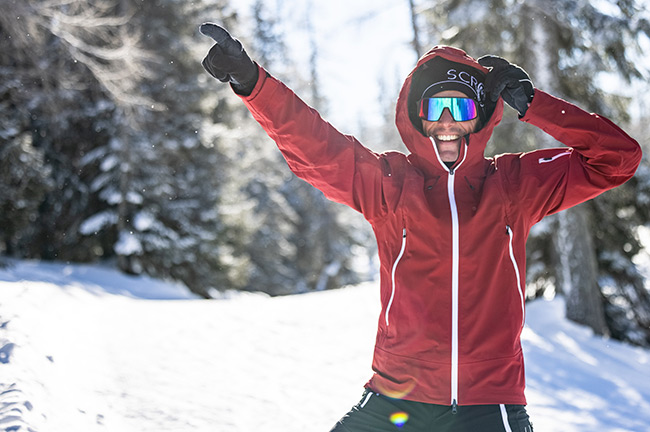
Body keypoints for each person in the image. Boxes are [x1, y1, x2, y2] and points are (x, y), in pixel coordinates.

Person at [199, 22, 642, 432]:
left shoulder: (514, 186)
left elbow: (618, 159)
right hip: (395, 398)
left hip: (487, 405)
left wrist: (535, 105)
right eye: (436, 107)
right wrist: (254, 84)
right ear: (417, 117)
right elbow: (318, 148)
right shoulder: (390, 186)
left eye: (461, 106)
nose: (447, 122)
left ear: (481, 116)